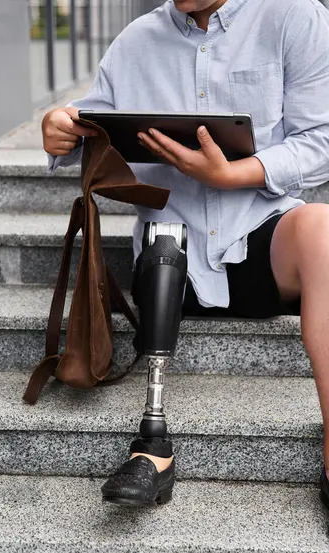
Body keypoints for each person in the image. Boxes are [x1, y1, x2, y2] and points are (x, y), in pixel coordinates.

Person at [42, 0, 329, 507]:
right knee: (163, 242)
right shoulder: (135, 41)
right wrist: (59, 129)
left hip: (261, 237)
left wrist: (235, 173)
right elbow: (89, 125)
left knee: (323, 228)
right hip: (173, 261)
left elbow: (320, 140)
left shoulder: (292, 16)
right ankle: (151, 446)